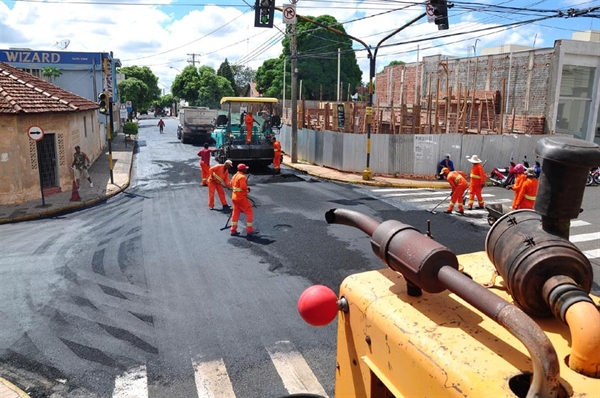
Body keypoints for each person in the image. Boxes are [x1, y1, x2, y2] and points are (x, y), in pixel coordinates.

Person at [230, 163, 254, 236]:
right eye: (245, 169)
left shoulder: (235, 176)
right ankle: (249, 230)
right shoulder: (241, 177)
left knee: (235, 213)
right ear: (243, 169)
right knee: (249, 212)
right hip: (241, 198)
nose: (246, 169)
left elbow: (231, 184)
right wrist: (247, 188)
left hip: (234, 198)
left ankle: (233, 230)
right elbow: (243, 187)